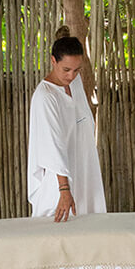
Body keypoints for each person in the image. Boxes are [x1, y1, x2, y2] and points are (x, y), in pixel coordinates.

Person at [27, 27, 106, 221]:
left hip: (84, 175)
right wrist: (64, 191)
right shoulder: (46, 97)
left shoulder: (74, 83)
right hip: (59, 185)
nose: (71, 75)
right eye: (66, 70)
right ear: (53, 61)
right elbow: (53, 146)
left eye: (77, 69)